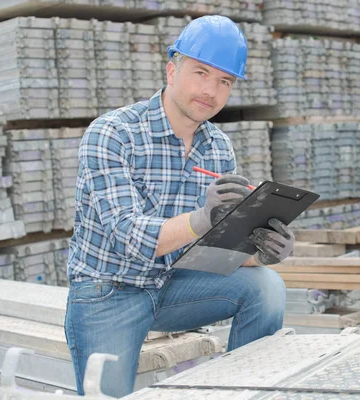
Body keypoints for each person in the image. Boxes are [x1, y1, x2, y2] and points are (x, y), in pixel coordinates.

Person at [64, 15, 294, 398]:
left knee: (266, 287)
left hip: (173, 285)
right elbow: (128, 236)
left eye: (225, 81)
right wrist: (203, 219)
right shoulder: (113, 134)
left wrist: (262, 250)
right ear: (172, 70)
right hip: (109, 292)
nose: (211, 91)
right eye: (201, 73)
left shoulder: (218, 147)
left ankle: (247, 392)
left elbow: (218, 250)